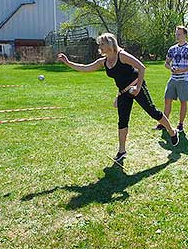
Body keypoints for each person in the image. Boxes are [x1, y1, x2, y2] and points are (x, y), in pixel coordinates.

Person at [57, 33, 179, 162]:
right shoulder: (104, 61)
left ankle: (172, 132)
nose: (100, 46)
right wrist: (68, 62)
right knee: (122, 120)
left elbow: (141, 67)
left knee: (152, 111)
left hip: (136, 86)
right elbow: (85, 68)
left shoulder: (122, 56)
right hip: (123, 92)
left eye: (102, 44)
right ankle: (122, 151)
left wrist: (138, 88)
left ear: (110, 43)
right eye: (100, 44)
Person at [154, 26, 188, 132]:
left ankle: (180, 125)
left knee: (183, 101)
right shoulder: (172, 49)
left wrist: (183, 69)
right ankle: (164, 123)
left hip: (184, 80)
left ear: (184, 35)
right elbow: (166, 63)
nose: (177, 36)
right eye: (176, 34)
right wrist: (171, 68)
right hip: (173, 79)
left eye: (179, 34)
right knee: (167, 100)